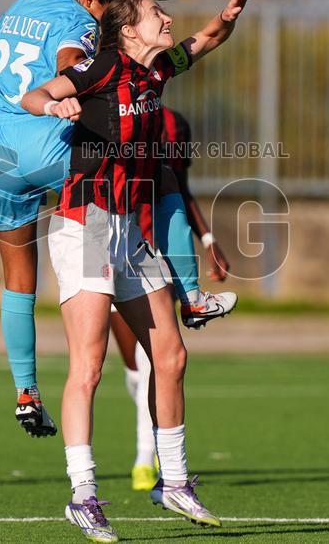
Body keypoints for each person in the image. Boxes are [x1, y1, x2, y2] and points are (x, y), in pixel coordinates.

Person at [0, 0, 237, 440]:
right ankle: (189, 295)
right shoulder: (82, 23)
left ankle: (26, 391)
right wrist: (67, 90)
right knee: (150, 178)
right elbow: (73, 65)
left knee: (18, 283)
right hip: (47, 143)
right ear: (94, 0)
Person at [22, 0, 254, 541]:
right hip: (85, 223)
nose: (167, 17)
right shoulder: (104, 66)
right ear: (128, 29)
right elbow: (36, 94)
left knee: (170, 356)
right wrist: (55, 104)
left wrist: (226, 18)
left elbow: (206, 40)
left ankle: (173, 481)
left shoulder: (158, 71)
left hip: (128, 229)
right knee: (89, 366)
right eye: (156, 12)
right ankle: (83, 495)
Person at [110, 106, 232, 491]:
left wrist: (207, 239)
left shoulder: (175, 124)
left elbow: (179, 187)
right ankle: (151, 442)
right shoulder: (105, 109)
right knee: (134, 369)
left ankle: (146, 459)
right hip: (108, 246)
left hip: (155, 253)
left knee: (154, 360)